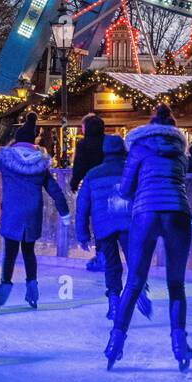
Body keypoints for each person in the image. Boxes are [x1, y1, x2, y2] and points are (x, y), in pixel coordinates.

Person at [106, 103, 192, 372]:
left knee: (134, 282)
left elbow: (126, 187)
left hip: (145, 213)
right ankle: (179, 344)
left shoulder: (138, 149)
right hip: (177, 213)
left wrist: (136, 195)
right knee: (176, 285)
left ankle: (115, 343)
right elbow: (182, 181)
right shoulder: (180, 152)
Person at [0, 112, 69, 310]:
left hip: (12, 211)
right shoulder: (41, 163)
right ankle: (32, 292)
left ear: (17, 140)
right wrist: (64, 213)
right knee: (29, 252)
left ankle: (2, 294)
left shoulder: (5, 158)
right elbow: (54, 189)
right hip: (32, 213)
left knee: (10, 253)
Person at [75, 134, 151, 322]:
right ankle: (139, 289)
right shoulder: (133, 170)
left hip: (103, 225)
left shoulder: (93, 174)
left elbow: (82, 206)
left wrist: (83, 234)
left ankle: (114, 303)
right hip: (130, 223)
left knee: (111, 264)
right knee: (135, 260)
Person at [71, 115, 106, 271]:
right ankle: (105, 254)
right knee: (108, 222)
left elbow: (80, 165)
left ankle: (101, 254)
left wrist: (74, 182)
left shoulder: (84, 144)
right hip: (111, 187)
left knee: (91, 217)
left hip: (93, 186)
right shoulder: (108, 142)